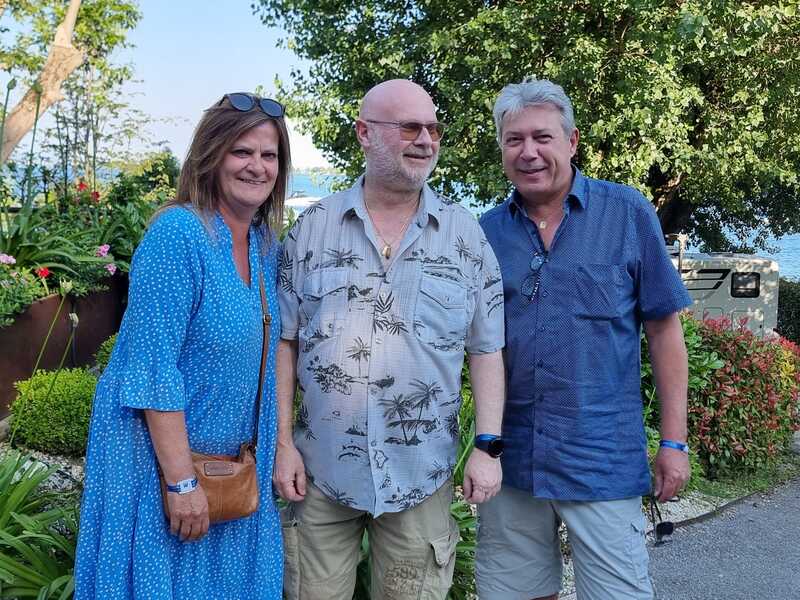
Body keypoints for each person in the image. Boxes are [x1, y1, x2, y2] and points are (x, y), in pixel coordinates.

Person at [275, 79, 505, 600]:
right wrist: (282, 444)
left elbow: (487, 348)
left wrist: (488, 447)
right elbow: (284, 343)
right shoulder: (312, 229)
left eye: (433, 129)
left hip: (421, 474)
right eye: (409, 127)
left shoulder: (465, 235)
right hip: (319, 473)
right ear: (364, 133)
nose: (425, 140)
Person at [476, 78, 692, 600]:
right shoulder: (484, 233)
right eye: (514, 139)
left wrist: (673, 442)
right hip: (512, 460)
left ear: (571, 141)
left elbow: (664, 331)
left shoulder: (627, 213)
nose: (528, 152)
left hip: (600, 460)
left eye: (542, 137)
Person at [74, 92, 291, 599]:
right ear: (211, 155)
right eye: (242, 151)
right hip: (162, 472)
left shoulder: (263, 245)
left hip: (233, 471)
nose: (257, 166)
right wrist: (181, 482)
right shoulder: (179, 235)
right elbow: (152, 367)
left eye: (269, 155)